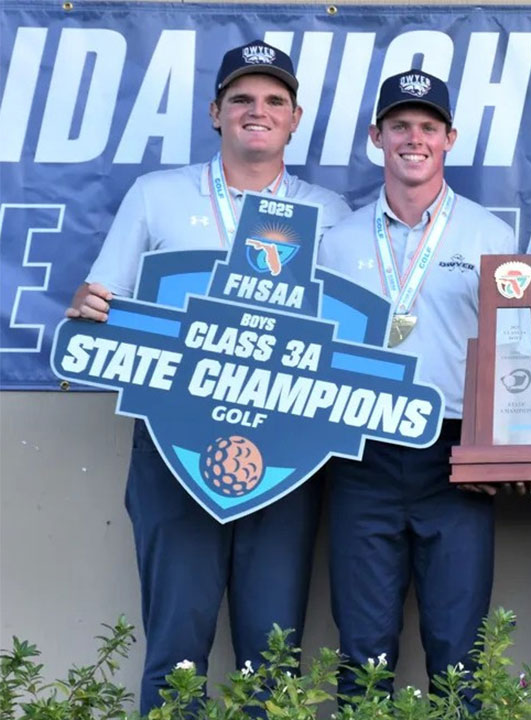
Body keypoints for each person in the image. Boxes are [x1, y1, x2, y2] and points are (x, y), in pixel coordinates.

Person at [64, 41, 351, 712]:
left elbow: (349, 331)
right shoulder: (158, 195)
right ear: (216, 112)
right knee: (176, 652)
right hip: (173, 445)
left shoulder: (329, 211)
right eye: (243, 99)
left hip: (286, 457)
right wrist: (89, 310)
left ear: (296, 117)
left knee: (273, 655)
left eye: (274, 100)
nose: (259, 111)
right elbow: (100, 296)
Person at [316, 69, 518, 698]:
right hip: (359, 453)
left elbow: (517, 358)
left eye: (428, 126)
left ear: (450, 138)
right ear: (376, 136)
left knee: (459, 654)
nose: (414, 138)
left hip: (455, 458)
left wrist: (512, 448)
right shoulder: (339, 240)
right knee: (362, 651)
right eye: (400, 125)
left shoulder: (491, 237)